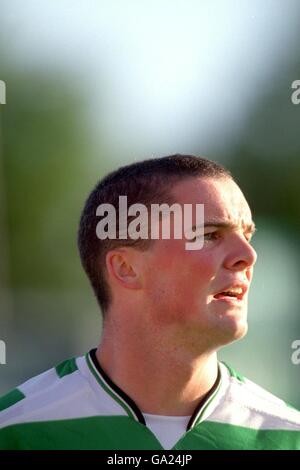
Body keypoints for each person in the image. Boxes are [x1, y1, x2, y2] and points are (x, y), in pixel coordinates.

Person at [0, 154, 299, 450]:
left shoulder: (287, 437)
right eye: (209, 235)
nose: (248, 256)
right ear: (126, 269)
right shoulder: (14, 431)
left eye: (247, 235)